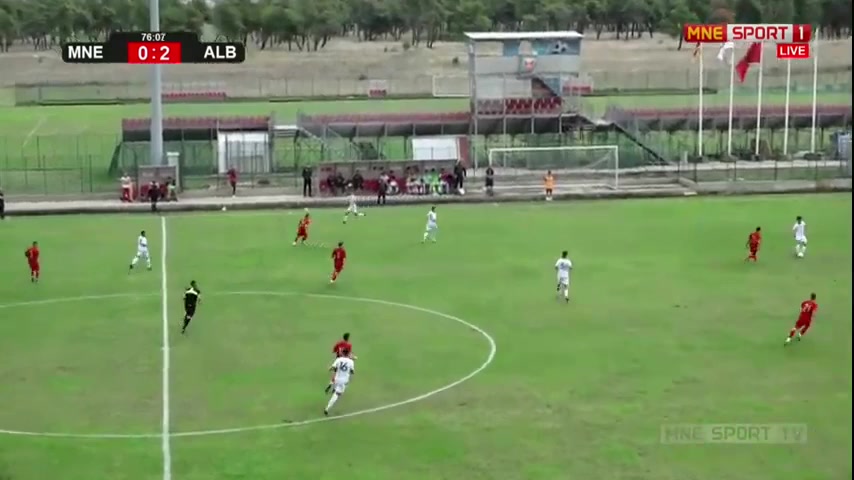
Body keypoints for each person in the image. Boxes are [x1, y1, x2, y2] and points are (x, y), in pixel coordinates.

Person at [324, 348, 355, 416]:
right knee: (337, 394)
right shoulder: (351, 361)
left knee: (337, 389)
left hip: (337, 379)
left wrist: (329, 368)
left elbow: (333, 367)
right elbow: (352, 371)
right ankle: (327, 408)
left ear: (343, 353)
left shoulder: (338, 359)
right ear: (348, 354)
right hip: (344, 381)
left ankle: (333, 388)